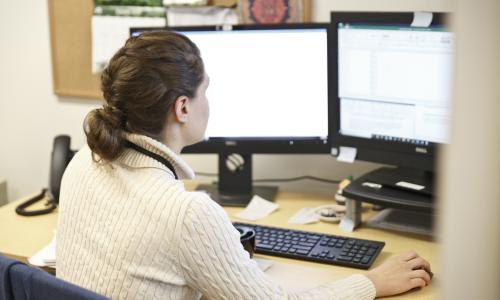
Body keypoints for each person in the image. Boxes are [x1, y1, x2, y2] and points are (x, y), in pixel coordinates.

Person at [56, 30, 432, 300]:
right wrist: (374, 282)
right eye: (206, 90)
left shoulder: (83, 162)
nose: (209, 102)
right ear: (182, 108)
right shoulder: (186, 212)